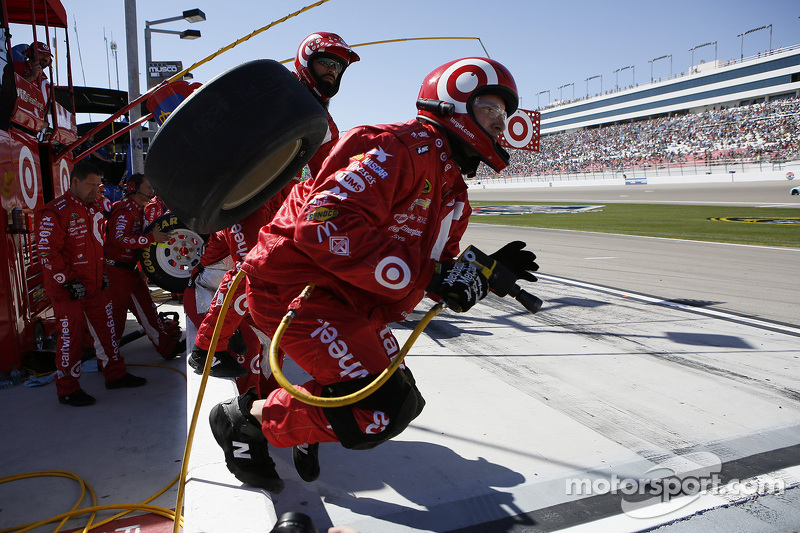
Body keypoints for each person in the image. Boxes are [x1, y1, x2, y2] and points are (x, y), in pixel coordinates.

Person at [208, 57, 539, 493]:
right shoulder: (402, 147)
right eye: (491, 109)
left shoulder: (448, 184)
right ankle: (247, 423)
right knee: (376, 413)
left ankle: (262, 414)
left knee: (400, 399)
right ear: (454, 102)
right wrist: (432, 278)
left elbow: (432, 265)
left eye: (504, 114)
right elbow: (322, 224)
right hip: (297, 292)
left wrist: (476, 274)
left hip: (345, 301)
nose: (500, 124)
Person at [188, 32, 360, 383]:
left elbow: (331, 175)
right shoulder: (275, 94)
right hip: (245, 199)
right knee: (251, 270)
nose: (332, 73)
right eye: (326, 63)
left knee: (261, 276)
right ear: (306, 61)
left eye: (338, 68)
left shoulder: (325, 122)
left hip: (279, 207)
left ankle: (237, 347)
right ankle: (207, 348)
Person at [35, 161, 147, 406]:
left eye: (99, 185)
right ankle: (67, 389)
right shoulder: (54, 212)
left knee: (107, 331)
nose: (96, 190)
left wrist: (102, 272)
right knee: (70, 338)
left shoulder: (93, 209)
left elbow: (98, 246)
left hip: (94, 285)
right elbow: (47, 253)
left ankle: (115, 375)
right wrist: (68, 280)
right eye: (91, 185)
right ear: (75, 182)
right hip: (67, 289)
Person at [104, 173, 184, 360]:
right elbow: (119, 240)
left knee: (149, 311)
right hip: (115, 272)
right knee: (116, 319)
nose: (151, 191)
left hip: (130, 271)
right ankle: (108, 362)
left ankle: (167, 349)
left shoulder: (139, 209)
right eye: (148, 187)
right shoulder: (124, 210)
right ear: (133, 188)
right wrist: (150, 238)